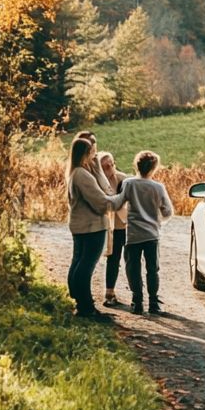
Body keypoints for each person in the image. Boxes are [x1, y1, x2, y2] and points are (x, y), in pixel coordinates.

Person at [66, 135, 126, 320]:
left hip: (81, 225)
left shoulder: (75, 172)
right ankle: (86, 306)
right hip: (91, 226)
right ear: (85, 153)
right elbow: (101, 203)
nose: (95, 155)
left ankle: (81, 302)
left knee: (78, 262)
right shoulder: (83, 175)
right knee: (86, 266)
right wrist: (122, 198)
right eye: (92, 151)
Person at [122, 151, 174, 315]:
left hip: (132, 233)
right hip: (151, 234)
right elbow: (167, 211)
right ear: (154, 168)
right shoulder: (158, 187)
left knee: (133, 267)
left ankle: (137, 301)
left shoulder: (128, 184)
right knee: (152, 269)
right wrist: (157, 219)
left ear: (136, 165)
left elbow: (120, 202)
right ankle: (153, 303)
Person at [98, 151, 129, 306]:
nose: (110, 168)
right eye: (105, 166)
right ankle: (109, 292)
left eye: (111, 164)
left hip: (124, 225)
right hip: (106, 226)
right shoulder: (96, 182)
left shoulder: (124, 180)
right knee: (113, 258)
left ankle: (137, 294)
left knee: (130, 259)